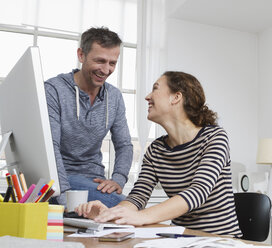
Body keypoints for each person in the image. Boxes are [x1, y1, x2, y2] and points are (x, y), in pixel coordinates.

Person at [76, 71, 242, 237]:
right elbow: (138, 197)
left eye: (155, 89)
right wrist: (111, 214)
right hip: (181, 239)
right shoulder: (156, 150)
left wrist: (140, 217)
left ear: (176, 97)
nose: (147, 97)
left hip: (221, 240)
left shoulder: (214, 137)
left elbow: (198, 192)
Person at [45, 27, 133, 208]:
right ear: (81, 55)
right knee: (125, 207)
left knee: (125, 209)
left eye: (112, 63)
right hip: (61, 179)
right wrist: (66, 201)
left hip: (94, 181)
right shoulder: (53, 90)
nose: (106, 70)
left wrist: (118, 179)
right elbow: (50, 146)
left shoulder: (114, 96)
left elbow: (124, 145)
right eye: (100, 61)